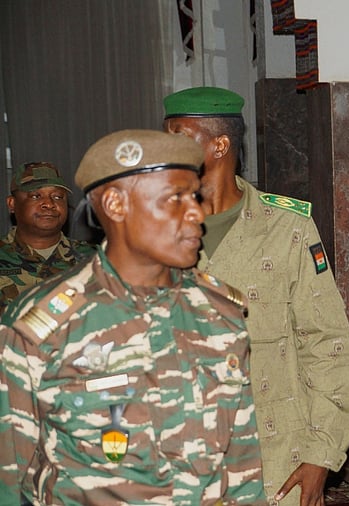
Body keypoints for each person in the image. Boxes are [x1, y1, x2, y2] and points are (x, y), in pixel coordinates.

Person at [0, 130, 264, 505]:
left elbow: (243, 469)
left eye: (195, 196)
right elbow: (11, 481)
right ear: (115, 205)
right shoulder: (43, 327)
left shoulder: (218, 312)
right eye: (176, 198)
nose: (196, 213)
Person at [163, 86, 349, 505]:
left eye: (178, 136)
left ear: (219, 145)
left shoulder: (287, 229)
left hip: (274, 462)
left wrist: (321, 454)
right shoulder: (153, 230)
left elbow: (328, 345)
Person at [0, 161, 95, 314]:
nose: (49, 204)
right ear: (12, 204)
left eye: (57, 197)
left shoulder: (93, 259)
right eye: (36, 196)